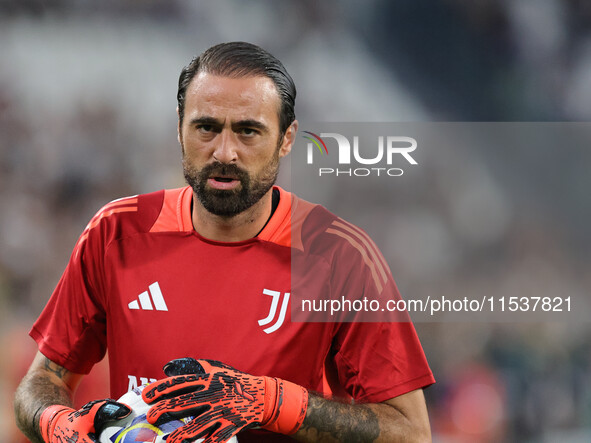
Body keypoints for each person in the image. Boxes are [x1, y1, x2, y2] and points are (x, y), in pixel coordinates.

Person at [14, 42, 435, 443]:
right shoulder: (115, 233)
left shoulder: (339, 257)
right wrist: (56, 425)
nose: (224, 151)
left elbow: (410, 432)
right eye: (206, 128)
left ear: (287, 139)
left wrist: (271, 402)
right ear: (180, 129)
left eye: (248, 131)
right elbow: (40, 382)